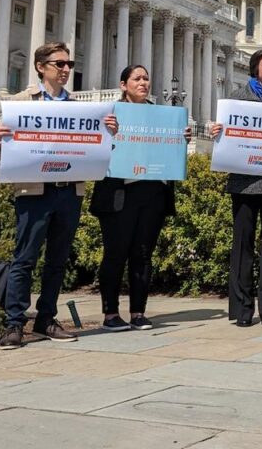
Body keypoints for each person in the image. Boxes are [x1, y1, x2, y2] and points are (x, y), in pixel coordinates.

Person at [0, 42, 118, 350]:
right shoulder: (21, 102)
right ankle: (14, 324)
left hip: (69, 191)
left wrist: (111, 133)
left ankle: (46, 319)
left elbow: (99, 152)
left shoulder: (82, 107)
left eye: (68, 64)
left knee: (57, 261)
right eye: (60, 64)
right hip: (34, 193)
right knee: (24, 260)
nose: (67, 69)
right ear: (41, 67)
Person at [90, 64, 190, 332]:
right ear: (123, 84)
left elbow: (170, 149)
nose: (143, 82)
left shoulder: (162, 116)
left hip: (153, 192)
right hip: (120, 194)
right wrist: (105, 131)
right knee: (115, 253)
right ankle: (111, 313)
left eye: (146, 78)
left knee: (143, 254)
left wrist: (181, 138)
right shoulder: (110, 114)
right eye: (137, 78)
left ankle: (138, 312)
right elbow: (95, 149)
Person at [219, 49, 262, 328]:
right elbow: (228, 133)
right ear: (255, 68)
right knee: (242, 245)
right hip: (245, 182)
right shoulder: (237, 98)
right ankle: (242, 309)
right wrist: (217, 133)